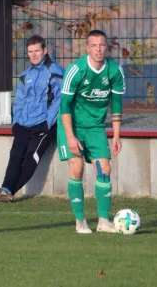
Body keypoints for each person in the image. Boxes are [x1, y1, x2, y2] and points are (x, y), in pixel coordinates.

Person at [57, 29, 125, 234]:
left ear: (107, 47)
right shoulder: (76, 70)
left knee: (104, 170)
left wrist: (116, 135)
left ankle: (103, 221)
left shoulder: (114, 70)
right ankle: (80, 222)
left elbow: (117, 105)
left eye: (102, 45)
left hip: (96, 127)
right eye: (94, 45)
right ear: (87, 48)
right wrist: (70, 137)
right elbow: (64, 106)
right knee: (76, 167)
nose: (98, 49)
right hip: (72, 126)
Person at [0, 35, 64, 203]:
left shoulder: (55, 71)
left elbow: (60, 99)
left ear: (45, 51)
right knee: (15, 155)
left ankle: (8, 192)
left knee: (30, 159)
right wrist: (16, 121)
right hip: (24, 124)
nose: (34, 55)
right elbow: (20, 101)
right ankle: (6, 188)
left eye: (37, 51)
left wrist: (48, 122)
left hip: (44, 126)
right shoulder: (25, 75)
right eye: (30, 52)